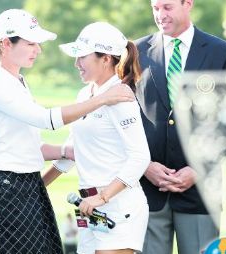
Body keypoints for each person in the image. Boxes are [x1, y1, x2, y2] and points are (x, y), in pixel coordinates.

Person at [0, 9, 135, 253]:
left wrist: (67, 151)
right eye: (31, 43)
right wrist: (103, 99)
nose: (38, 50)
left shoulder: (17, 81)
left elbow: (30, 144)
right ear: (6, 43)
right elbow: (46, 120)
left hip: (26, 183)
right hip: (8, 186)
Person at [134, 0, 226, 254]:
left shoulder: (224, 53)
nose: (160, 15)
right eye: (155, 8)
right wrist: (144, 166)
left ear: (188, 4)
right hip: (148, 189)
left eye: (167, 7)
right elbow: (123, 119)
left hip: (201, 190)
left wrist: (200, 169)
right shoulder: (136, 52)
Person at [43, 22, 151, 254]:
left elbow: (140, 157)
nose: (76, 63)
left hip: (117, 206)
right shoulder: (86, 94)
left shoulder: (121, 96)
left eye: (82, 56)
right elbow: (73, 150)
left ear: (106, 59)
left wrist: (102, 198)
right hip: (89, 208)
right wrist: (39, 187)